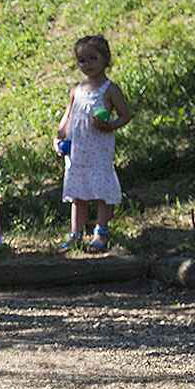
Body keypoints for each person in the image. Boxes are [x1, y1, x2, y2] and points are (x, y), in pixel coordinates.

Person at [56, 34, 133, 253]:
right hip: (78, 151)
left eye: (92, 58)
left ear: (105, 59)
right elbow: (68, 116)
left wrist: (111, 125)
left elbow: (125, 115)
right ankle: (76, 233)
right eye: (82, 60)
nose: (87, 64)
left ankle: (101, 231)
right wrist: (60, 136)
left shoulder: (110, 89)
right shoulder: (76, 90)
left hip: (99, 150)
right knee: (77, 193)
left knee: (101, 190)